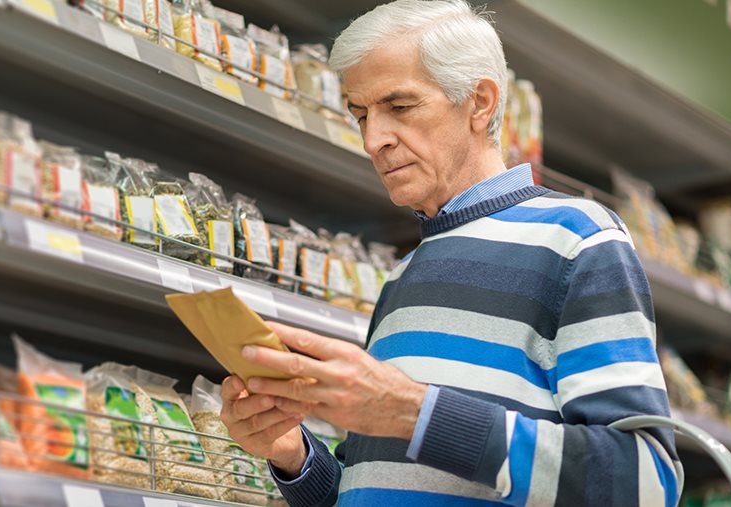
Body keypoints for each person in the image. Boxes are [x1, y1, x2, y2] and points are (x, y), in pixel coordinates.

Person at [218, 1, 682, 505]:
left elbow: (645, 483)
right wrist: (293, 456)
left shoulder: (576, 237)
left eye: (399, 107)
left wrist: (414, 414)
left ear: (479, 103)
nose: (374, 140)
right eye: (361, 114)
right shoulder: (403, 276)